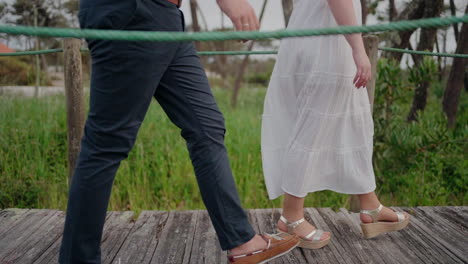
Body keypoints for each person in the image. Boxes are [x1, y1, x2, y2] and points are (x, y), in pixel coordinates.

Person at [58, 0, 299, 263]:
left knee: (206, 127)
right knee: (106, 144)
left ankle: (242, 241)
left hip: (166, 17)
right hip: (134, 12)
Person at [261, 0, 410, 248]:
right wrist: (358, 49)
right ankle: (291, 217)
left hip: (318, 37)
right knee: (312, 129)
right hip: (327, 45)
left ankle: (370, 205)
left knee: (355, 123)